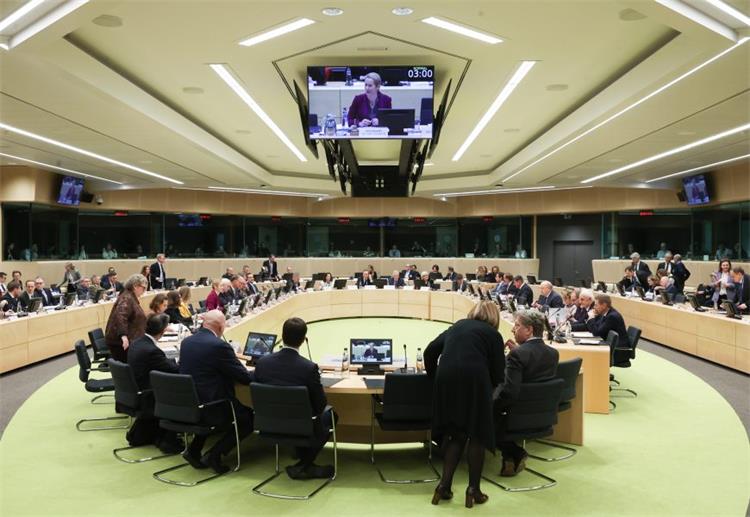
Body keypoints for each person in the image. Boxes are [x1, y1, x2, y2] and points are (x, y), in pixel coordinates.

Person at [424, 301, 505, 507]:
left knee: (456, 433)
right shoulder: (493, 334)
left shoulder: (457, 325)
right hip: (475, 382)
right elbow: (499, 373)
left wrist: (435, 377)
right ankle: (473, 490)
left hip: (447, 381)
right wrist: (489, 389)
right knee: (477, 434)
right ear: (494, 317)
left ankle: (443, 487)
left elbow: (430, 351)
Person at [253, 317, 335, 479]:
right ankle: (304, 465)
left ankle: (300, 455)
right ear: (304, 340)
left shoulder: (262, 363)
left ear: (282, 336)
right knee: (330, 415)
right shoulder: (308, 368)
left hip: (269, 424)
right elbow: (320, 405)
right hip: (301, 425)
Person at [178, 310, 254, 473]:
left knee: (207, 412)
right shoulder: (219, 346)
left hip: (190, 403)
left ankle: (193, 450)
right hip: (213, 404)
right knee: (248, 419)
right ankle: (214, 455)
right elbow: (244, 378)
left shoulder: (187, 342)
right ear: (220, 327)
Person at [493, 309, 559, 476]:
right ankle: (509, 456)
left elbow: (509, 393)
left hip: (515, 416)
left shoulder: (517, 355)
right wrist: (519, 350)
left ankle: (515, 452)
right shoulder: (553, 353)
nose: (512, 329)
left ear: (529, 330)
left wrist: (491, 405)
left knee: (479, 412)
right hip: (543, 414)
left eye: (517, 326)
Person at [125, 313, 182, 453]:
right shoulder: (152, 351)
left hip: (136, 388)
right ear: (163, 331)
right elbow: (175, 370)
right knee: (183, 391)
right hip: (148, 393)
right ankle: (169, 439)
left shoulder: (137, 342)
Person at [105, 274, 148, 362]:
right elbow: (120, 316)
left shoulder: (130, 297)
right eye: (143, 288)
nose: (144, 291)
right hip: (122, 343)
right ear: (135, 286)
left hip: (130, 340)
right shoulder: (126, 297)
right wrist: (123, 335)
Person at [586, 294, 629, 359]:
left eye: (596, 305)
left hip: (618, 350)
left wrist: (591, 318)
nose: (594, 307)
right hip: (610, 345)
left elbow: (597, 333)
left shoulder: (612, 316)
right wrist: (592, 319)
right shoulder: (605, 313)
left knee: (589, 352)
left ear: (604, 305)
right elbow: (594, 328)